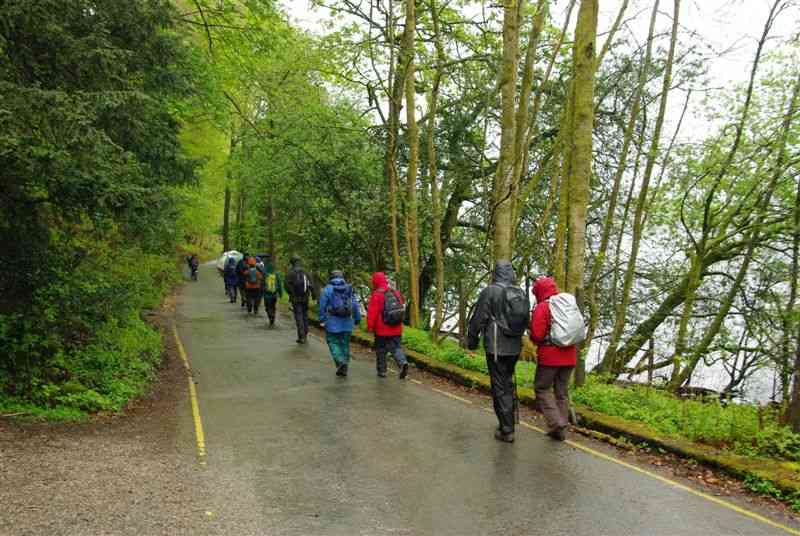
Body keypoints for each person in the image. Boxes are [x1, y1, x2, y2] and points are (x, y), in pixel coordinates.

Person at [467, 261, 529, 443]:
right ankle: (509, 421)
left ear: (496, 273)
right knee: (508, 382)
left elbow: (478, 318)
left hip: (496, 346)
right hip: (515, 345)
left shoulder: (490, 291)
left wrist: (472, 341)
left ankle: (506, 429)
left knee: (500, 386)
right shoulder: (519, 292)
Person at [529, 276, 577, 442]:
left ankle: (556, 423)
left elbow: (537, 334)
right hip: (570, 355)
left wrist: (532, 336)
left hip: (550, 356)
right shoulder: (568, 304)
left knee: (542, 388)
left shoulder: (543, 307)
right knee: (561, 392)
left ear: (539, 291)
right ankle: (560, 430)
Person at [366, 272, 408, 379]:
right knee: (396, 347)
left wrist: (370, 327)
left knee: (381, 349)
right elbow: (401, 309)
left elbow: (372, 313)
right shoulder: (396, 292)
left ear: (375, 282)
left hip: (381, 329)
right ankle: (402, 362)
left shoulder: (376, 294)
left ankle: (382, 371)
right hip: (396, 327)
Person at [319, 271, 361, 377]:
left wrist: (322, 319)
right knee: (345, 343)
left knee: (333, 342)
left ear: (331, 278)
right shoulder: (349, 289)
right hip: (347, 322)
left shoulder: (327, 289)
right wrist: (357, 318)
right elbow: (355, 305)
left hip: (332, 322)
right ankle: (344, 365)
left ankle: (340, 361)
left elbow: (322, 306)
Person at [286, 255, 315, 343]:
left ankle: (301, 336)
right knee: (305, 315)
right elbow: (311, 284)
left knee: (298, 316)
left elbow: (286, 285)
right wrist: (313, 295)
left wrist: (291, 293)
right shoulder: (306, 272)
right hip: (305, 298)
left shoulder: (290, 273)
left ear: (292, 263)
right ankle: (305, 333)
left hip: (295, 298)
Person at [261, 254, 283, 327]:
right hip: (274, 294)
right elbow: (279, 284)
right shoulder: (276, 274)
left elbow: (262, 284)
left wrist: (261, 292)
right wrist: (280, 293)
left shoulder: (265, 274)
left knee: (267, 307)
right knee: (273, 307)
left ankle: (270, 316)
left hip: (267, 295)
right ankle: (272, 318)